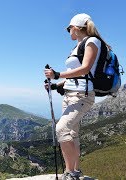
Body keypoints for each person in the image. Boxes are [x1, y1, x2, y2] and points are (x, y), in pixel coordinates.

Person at [44, 13, 111, 180]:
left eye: (69, 29)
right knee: (72, 133)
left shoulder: (92, 41)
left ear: (76, 27)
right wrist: (55, 85)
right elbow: (77, 76)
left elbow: (86, 69)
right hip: (70, 94)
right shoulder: (77, 46)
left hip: (82, 96)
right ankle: (74, 171)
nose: (68, 32)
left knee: (62, 129)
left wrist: (58, 74)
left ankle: (70, 172)